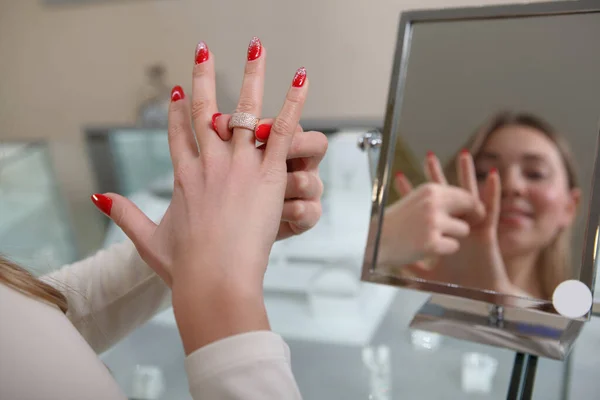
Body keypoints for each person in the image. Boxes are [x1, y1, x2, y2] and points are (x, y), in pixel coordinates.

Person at [388, 111, 581, 301]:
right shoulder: (394, 296)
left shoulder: (582, 323)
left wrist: (501, 297)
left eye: (535, 173)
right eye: (483, 173)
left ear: (570, 207)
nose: (511, 186)